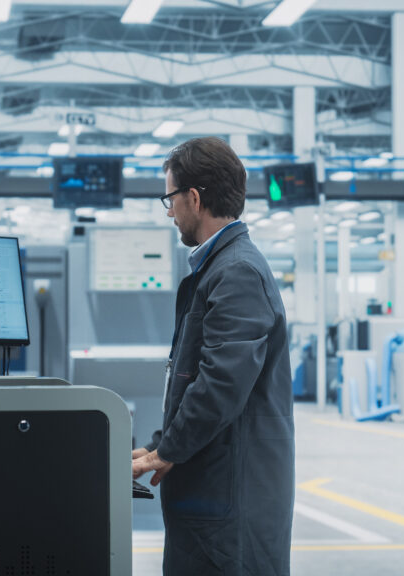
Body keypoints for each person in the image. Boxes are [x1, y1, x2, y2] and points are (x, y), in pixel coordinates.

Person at [131, 137, 295, 575]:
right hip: (214, 491)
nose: (170, 213)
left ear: (194, 198)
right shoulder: (218, 268)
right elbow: (197, 379)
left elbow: (222, 382)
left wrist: (170, 449)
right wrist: (159, 443)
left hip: (230, 503)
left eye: (171, 200)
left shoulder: (236, 271)